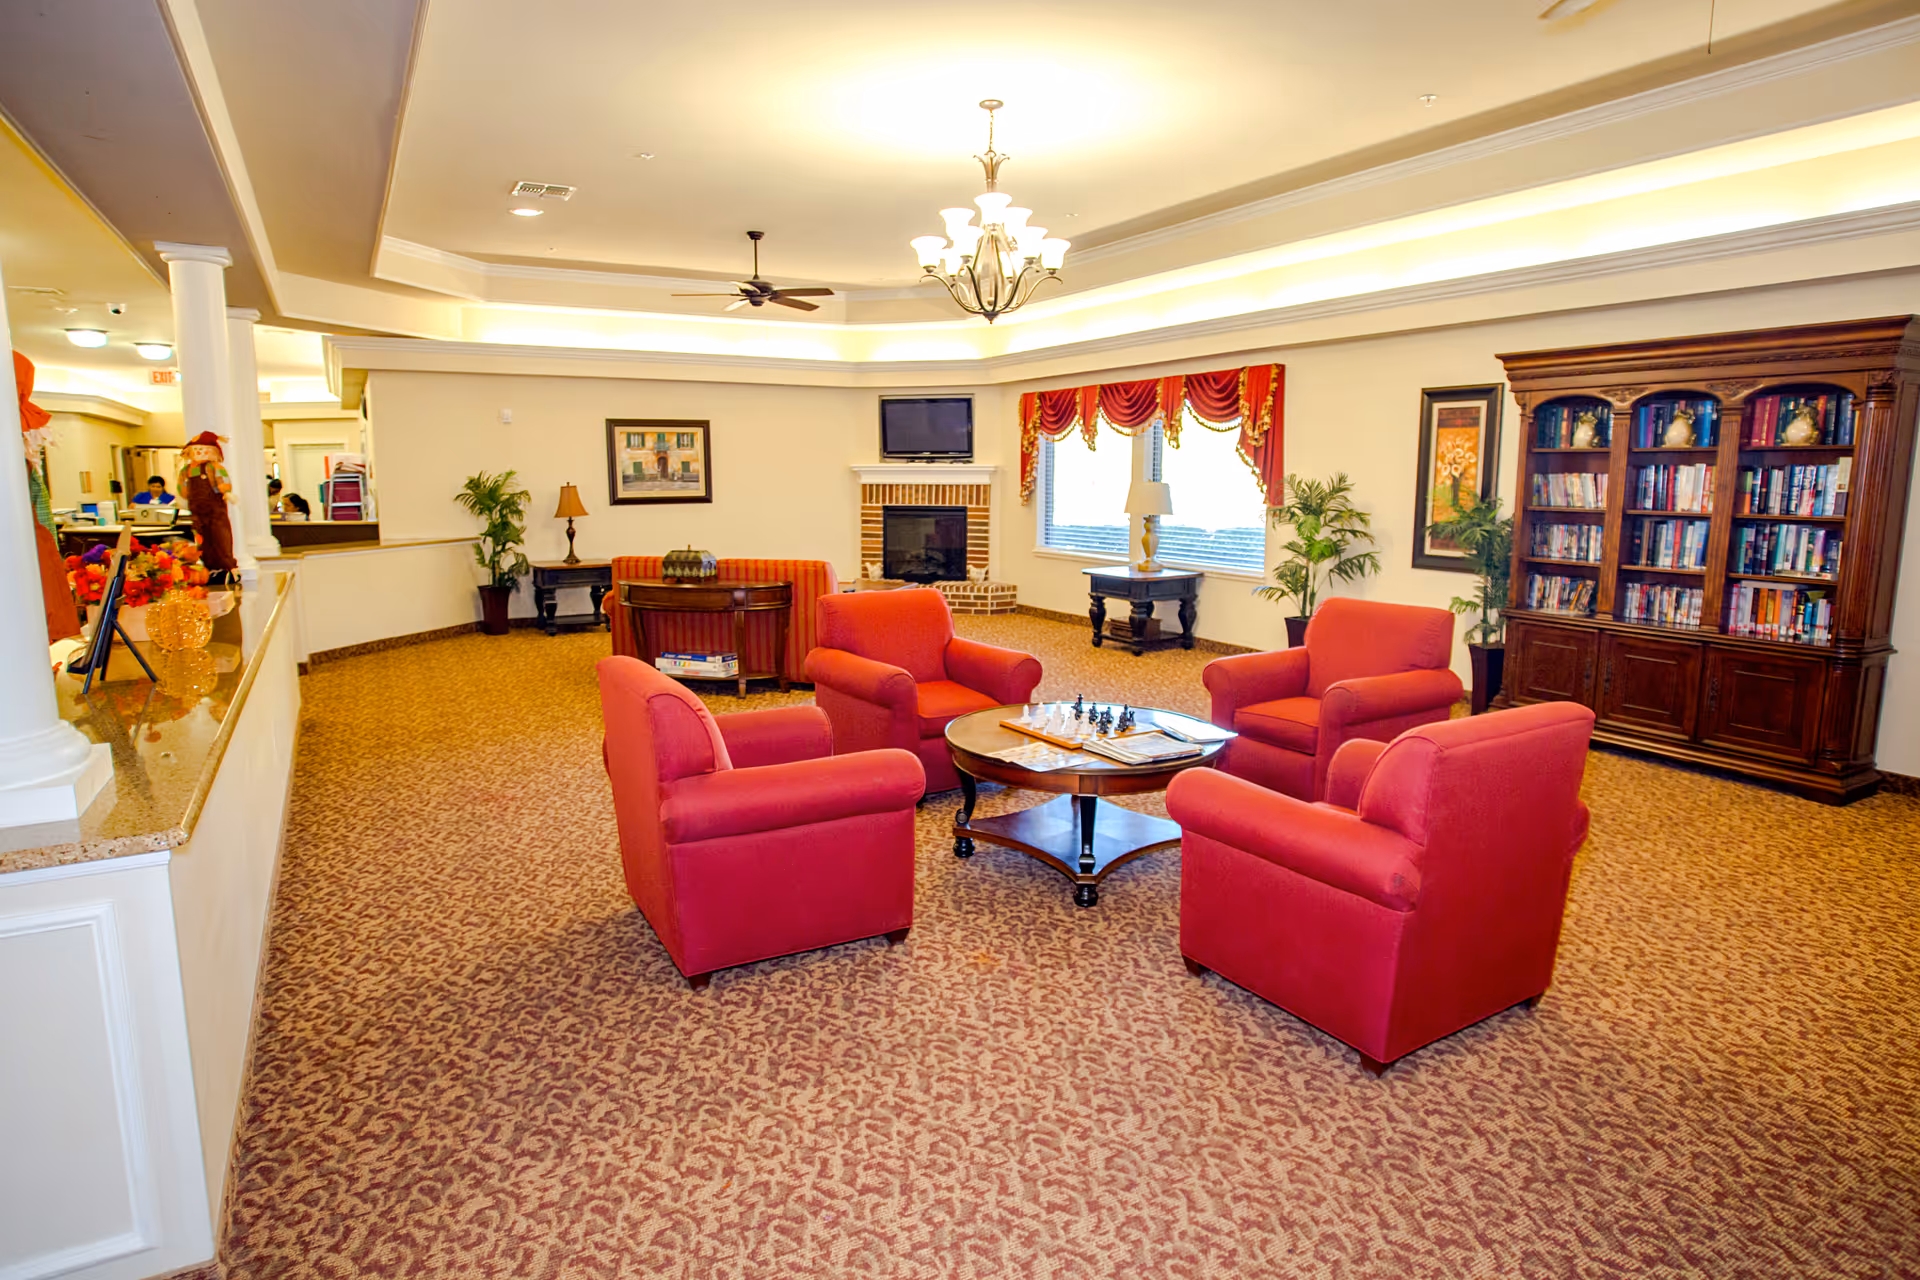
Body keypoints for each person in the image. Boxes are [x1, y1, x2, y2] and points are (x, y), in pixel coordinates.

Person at [178, 431, 236, 578]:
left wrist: (226, 492)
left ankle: (226, 566)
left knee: (220, 537)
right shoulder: (187, 471)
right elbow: (182, 487)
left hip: (215, 510)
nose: (198, 452)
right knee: (201, 539)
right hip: (196, 511)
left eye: (202, 449)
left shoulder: (213, 468)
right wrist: (184, 497)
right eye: (196, 449)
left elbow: (222, 480)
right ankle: (207, 565)